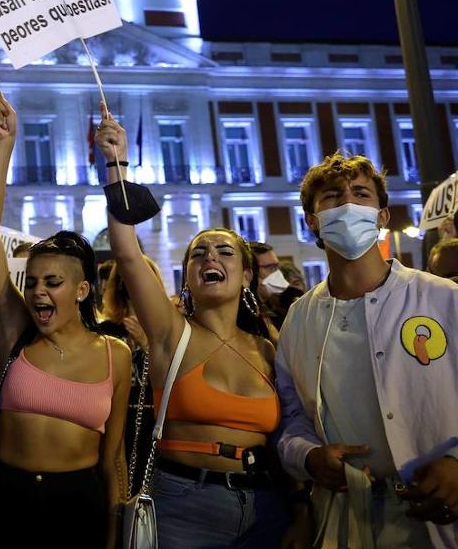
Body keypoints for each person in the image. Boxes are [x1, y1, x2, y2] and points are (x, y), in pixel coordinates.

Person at [97, 105, 310, 549]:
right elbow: (128, 252)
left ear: (247, 276)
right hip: (183, 508)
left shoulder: (269, 346)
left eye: (224, 252)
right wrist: (117, 163)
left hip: (265, 506)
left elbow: (289, 430)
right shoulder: (171, 333)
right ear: (188, 277)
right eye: (199, 253)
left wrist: (300, 508)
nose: (210, 256)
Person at [275, 153, 458, 547]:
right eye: (332, 197)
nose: (348, 204)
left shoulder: (443, 298)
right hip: (348, 517)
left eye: (361, 194)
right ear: (312, 220)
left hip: (439, 513)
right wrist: (308, 456)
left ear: (382, 216)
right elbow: (291, 416)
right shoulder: (299, 319)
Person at [0, 92, 132, 548]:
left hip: (78, 506)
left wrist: (116, 529)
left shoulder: (116, 355)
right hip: (5, 502)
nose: (38, 291)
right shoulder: (15, 330)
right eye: (32, 281)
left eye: (53, 282)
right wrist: (4, 145)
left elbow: (113, 456)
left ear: (82, 290)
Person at [98, 258, 158, 493]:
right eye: (128, 277)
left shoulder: (164, 331)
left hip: (152, 422)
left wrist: (146, 343)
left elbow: (172, 377)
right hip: (116, 420)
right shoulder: (106, 331)